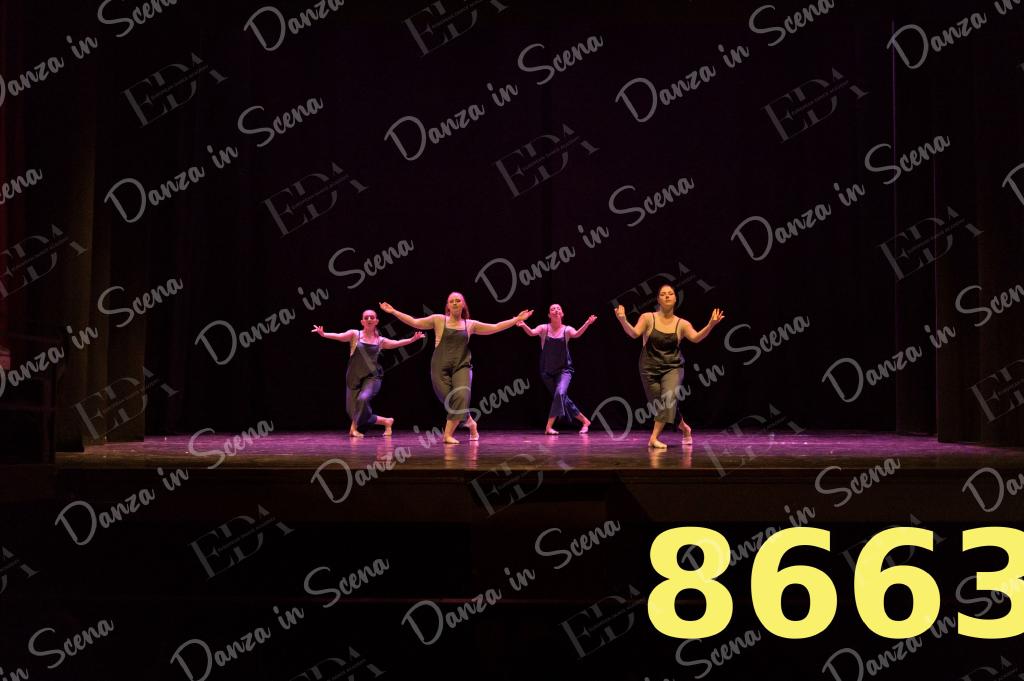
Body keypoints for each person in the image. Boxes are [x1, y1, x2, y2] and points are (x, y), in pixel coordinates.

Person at [380, 293, 531, 444]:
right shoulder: (438, 320)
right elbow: (415, 322)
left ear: (463, 304)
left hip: (461, 365)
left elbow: (495, 327)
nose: (454, 303)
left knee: (461, 396)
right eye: (451, 301)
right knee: (450, 400)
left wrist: (516, 319)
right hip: (439, 365)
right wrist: (393, 311)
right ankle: (470, 422)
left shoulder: (470, 325)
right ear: (447, 306)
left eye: (458, 300)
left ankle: (447, 435)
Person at [615, 284, 724, 448]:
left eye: (670, 293)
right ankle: (685, 429)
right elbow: (634, 333)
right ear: (658, 299)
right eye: (663, 294)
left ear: (675, 298)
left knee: (668, 399)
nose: (667, 296)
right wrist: (623, 320)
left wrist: (710, 325)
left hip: (673, 367)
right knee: (663, 406)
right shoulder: (647, 318)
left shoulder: (682, 324)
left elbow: (695, 338)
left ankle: (653, 438)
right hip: (648, 367)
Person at [311, 310, 424, 437]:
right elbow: (339, 336)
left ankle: (354, 429)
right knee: (352, 410)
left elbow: (396, 343)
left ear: (376, 321)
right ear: (362, 321)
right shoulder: (355, 334)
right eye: (366, 317)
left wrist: (412, 339)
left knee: (363, 399)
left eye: (372, 317)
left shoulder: (380, 341)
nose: (369, 319)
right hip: (353, 376)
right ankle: (386, 421)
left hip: (372, 377)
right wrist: (323, 334)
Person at [517, 304, 596, 434]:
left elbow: (576, 334)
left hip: (564, 370)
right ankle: (585, 421)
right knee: (562, 398)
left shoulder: (567, 330)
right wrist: (523, 324)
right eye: (553, 309)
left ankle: (548, 427)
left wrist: (587, 323)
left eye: (558, 308)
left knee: (559, 394)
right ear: (549, 315)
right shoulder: (544, 328)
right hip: (547, 371)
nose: (556, 310)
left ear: (562, 314)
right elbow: (532, 332)